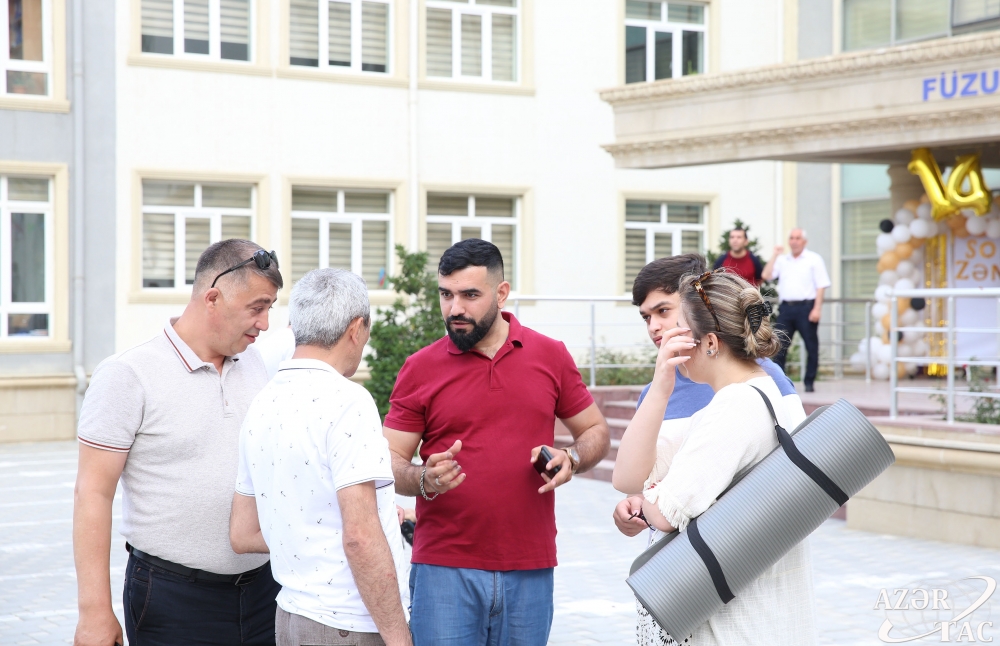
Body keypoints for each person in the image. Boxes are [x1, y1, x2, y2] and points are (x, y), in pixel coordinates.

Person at [382, 239, 610, 646]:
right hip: (444, 570)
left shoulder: (550, 355)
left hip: (530, 568)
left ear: (501, 293)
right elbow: (388, 460)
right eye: (446, 295)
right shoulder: (419, 368)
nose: (455, 308)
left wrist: (572, 458)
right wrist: (422, 479)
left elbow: (595, 431)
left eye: (470, 295)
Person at [73, 240, 284, 646]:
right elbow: (92, 494)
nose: (264, 324)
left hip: (264, 593)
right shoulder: (128, 373)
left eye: (270, 308)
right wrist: (94, 611)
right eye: (257, 308)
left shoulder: (255, 364)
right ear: (213, 298)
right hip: (172, 601)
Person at [616, 268, 815, 646]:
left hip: (736, 624)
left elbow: (664, 512)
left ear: (709, 342)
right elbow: (628, 477)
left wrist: (652, 498)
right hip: (761, 613)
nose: (669, 337)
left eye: (681, 328)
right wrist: (661, 387)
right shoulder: (761, 392)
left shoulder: (735, 405)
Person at [230, 268, 411, 646]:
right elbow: (360, 538)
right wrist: (399, 638)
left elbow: (243, 533)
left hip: (290, 617)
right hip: (349, 623)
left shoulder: (262, 402)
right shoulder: (348, 401)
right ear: (356, 329)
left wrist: (311, 533)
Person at [611, 254, 803, 536]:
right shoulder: (661, 391)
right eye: (646, 317)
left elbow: (666, 511)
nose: (654, 327)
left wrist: (658, 499)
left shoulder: (747, 391)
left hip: (734, 550)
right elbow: (630, 480)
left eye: (664, 311)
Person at [761, 228, 831, 393]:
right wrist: (775, 255)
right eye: (791, 238)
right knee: (779, 345)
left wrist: (817, 309)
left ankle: (809, 382)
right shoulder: (783, 260)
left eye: (798, 238)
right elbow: (766, 275)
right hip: (786, 308)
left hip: (806, 308)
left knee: (811, 346)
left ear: (804, 241)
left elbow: (821, 285)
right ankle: (779, 381)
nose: (794, 241)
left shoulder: (814, 259)